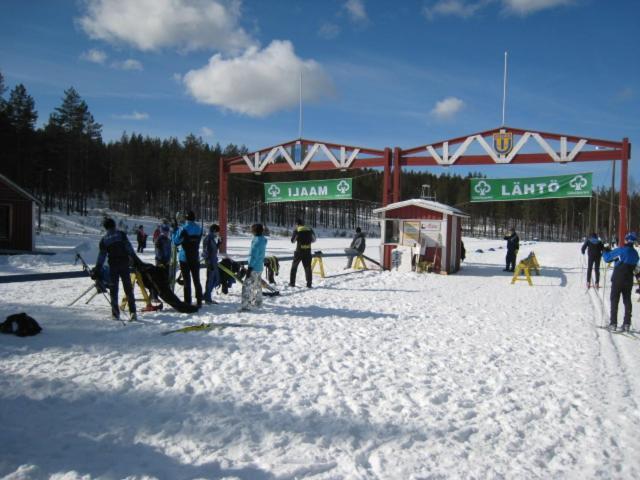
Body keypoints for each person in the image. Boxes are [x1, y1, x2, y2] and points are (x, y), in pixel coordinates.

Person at [94, 217, 137, 321]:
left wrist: (97, 267)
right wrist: (134, 258)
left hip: (113, 266)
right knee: (128, 288)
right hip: (124, 264)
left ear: (105, 227)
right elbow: (129, 247)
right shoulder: (121, 234)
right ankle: (133, 312)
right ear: (114, 225)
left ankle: (115, 314)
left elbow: (102, 256)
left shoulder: (104, 240)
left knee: (114, 290)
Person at [603, 232, 639, 332]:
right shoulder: (635, 253)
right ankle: (627, 323)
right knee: (627, 300)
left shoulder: (621, 250)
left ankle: (613, 323)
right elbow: (636, 267)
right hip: (629, 279)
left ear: (626, 240)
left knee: (614, 299)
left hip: (618, 278)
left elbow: (607, 259)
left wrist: (605, 251)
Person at [172, 210, 203, 307]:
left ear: (186, 218)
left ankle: (187, 301)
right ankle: (199, 301)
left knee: (187, 280)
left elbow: (176, 242)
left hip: (184, 258)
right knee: (197, 280)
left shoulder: (183, 228)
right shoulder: (199, 228)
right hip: (195, 257)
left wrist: (174, 231)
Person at [240, 223, 267, 311]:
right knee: (257, 285)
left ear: (254, 231)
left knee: (246, 286)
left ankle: (245, 306)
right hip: (259, 267)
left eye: (252, 230)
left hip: (254, 267)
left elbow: (253, 256)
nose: (251, 231)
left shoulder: (256, 242)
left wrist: (250, 268)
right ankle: (258, 302)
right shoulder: (263, 240)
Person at [290, 218, 316, 288]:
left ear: (297, 224)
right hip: (308, 251)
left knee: (294, 267)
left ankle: (292, 283)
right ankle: (309, 283)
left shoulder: (297, 230)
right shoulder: (309, 229)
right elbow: (314, 240)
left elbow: (293, 241)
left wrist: (297, 236)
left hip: (299, 251)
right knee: (308, 267)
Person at [202, 224, 222, 304]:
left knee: (216, 279)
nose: (217, 233)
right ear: (214, 231)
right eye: (217, 232)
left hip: (214, 261)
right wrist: (208, 262)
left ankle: (207, 295)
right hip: (210, 262)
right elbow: (205, 252)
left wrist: (219, 244)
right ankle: (207, 298)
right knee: (210, 280)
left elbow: (213, 250)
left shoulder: (212, 238)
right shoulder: (208, 238)